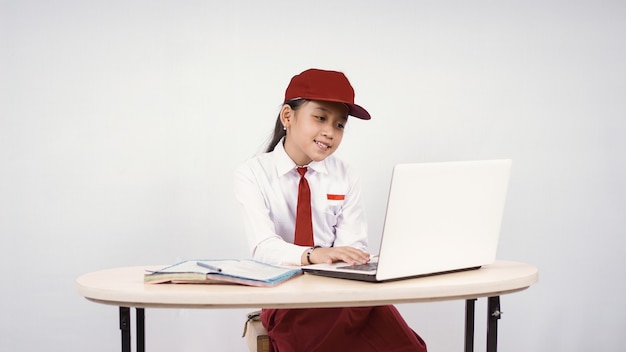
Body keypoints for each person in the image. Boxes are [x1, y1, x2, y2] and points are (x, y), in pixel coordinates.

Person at [234, 68, 427, 352]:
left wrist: (350, 256)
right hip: (288, 299)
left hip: (346, 296)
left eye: (339, 125)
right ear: (288, 116)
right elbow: (263, 247)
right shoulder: (252, 174)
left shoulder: (345, 175)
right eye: (320, 117)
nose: (330, 132)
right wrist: (314, 254)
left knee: (408, 347)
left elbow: (352, 246)